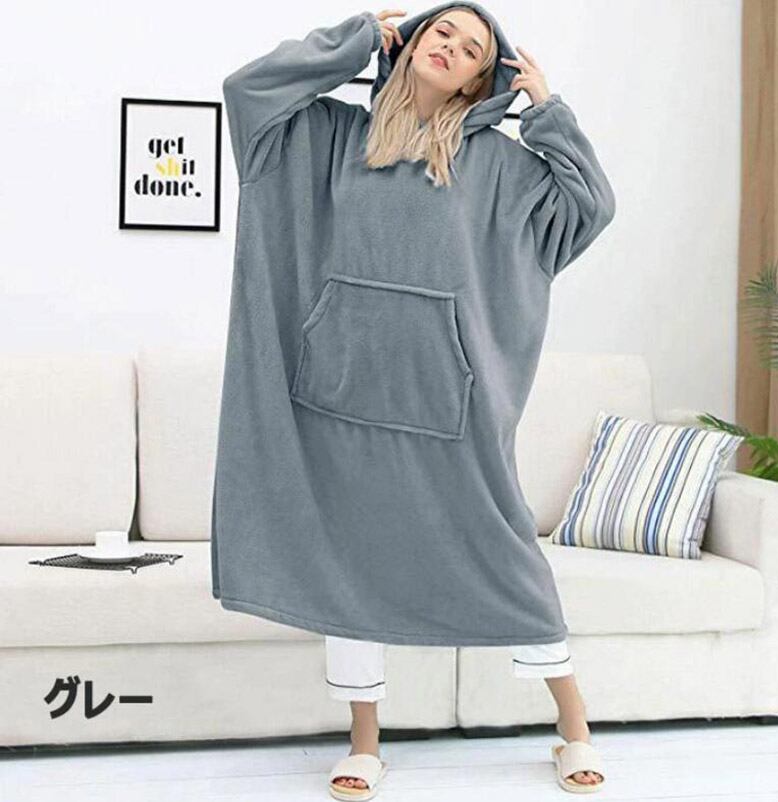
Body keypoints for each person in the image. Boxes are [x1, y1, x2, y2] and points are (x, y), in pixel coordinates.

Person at [217, 2, 614, 797]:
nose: (452, 49)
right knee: (345, 567)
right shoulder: (331, 136)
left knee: (508, 560)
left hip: (447, 409)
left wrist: (547, 110)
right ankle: (365, 743)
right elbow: (248, 91)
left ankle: (574, 729)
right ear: (413, 40)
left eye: (472, 49)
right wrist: (354, 39)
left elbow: (589, 208)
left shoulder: (500, 167)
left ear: (479, 80)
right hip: (338, 398)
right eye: (443, 32)